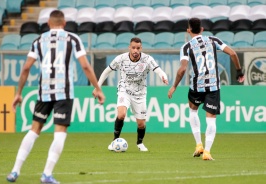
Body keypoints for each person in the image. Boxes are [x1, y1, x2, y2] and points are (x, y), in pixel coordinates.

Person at [6, 10, 105, 183]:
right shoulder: (73, 39)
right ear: (64, 23)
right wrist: (97, 88)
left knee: (34, 130)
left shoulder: (38, 41)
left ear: (48, 24)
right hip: (64, 92)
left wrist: (19, 93)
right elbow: (86, 67)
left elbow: (26, 68)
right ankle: (47, 174)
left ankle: (15, 171)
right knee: (60, 133)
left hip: (44, 91)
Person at [168, 17, 244, 160]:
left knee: (192, 110)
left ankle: (198, 145)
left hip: (197, 86)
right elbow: (233, 53)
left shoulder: (186, 47)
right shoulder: (213, 40)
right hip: (213, 87)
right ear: (202, 29)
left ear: (188, 30)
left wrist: (174, 86)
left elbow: (182, 70)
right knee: (211, 120)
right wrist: (239, 71)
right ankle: (207, 152)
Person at [93, 37, 168, 152]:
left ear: (141, 48)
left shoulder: (147, 59)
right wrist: (98, 87)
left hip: (140, 93)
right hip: (124, 90)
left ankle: (140, 143)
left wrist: (163, 76)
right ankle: (115, 141)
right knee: (121, 114)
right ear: (129, 47)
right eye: (133, 48)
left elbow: (158, 70)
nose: (135, 51)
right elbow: (107, 71)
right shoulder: (121, 59)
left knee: (141, 124)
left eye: (138, 48)